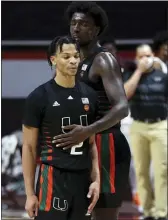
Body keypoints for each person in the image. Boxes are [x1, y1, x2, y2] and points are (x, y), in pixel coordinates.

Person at [52, 2, 131, 220]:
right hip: (79, 143)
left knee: (103, 214)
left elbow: (122, 107)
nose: (76, 28)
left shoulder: (103, 60)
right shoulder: (71, 61)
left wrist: (88, 130)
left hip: (106, 143)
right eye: (74, 23)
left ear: (96, 30)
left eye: (84, 24)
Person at [22, 36, 100, 220]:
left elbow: (92, 143)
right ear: (53, 59)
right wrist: (30, 194)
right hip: (53, 178)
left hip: (82, 179)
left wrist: (96, 180)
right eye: (66, 56)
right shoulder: (39, 97)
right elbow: (29, 147)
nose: (73, 61)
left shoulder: (90, 95)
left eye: (76, 56)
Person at [123, 44, 168, 220]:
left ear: (154, 56)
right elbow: (125, 94)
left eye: (148, 55)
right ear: (136, 58)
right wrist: (139, 72)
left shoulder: (163, 77)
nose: (145, 59)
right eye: (141, 56)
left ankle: (162, 212)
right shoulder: (131, 75)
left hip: (160, 127)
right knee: (140, 171)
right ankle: (147, 211)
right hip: (138, 127)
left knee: (161, 171)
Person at [99, 36, 143, 213]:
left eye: (112, 51)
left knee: (135, 162)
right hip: (104, 121)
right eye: (105, 51)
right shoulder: (97, 72)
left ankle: (139, 196)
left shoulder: (127, 69)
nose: (109, 54)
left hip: (127, 120)